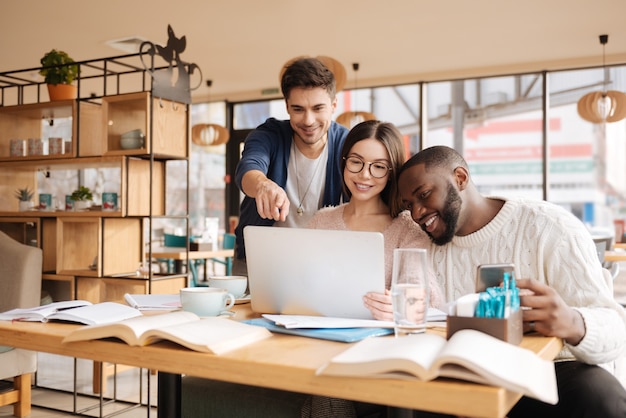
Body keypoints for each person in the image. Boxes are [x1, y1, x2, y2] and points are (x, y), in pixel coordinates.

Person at [370, 145, 626, 417]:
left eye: (424, 195)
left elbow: (616, 330)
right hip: (461, 374)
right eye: (409, 205)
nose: (417, 213)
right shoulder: (422, 246)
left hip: (551, 369)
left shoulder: (551, 226)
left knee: (600, 397)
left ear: (460, 178)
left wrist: (573, 322)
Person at [309, 119, 443, 308]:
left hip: (381, 333)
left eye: (378, 167)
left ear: (391, 173)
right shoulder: (321, 221)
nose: (364, 174)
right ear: (344, 162)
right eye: (356, 162)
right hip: (316, 328)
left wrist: (402, 305)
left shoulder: (407, 229)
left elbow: (423, 291)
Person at [233, 57, 348, 275]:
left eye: (318, 108)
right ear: (286, 106)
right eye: (298, 109)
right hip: (258, 258)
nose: (308, 120)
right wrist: (263, 185)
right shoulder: (269, 134)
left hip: (321, 261)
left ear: (333, 105)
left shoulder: (347, 143)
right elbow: (249, 167)